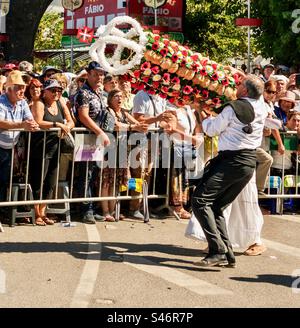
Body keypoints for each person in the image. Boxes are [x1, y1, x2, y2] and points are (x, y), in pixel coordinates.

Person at [192, 74, 267, 268]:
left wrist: (202, 113)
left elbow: (211, 130)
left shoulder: (233, 108)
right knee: (216, 206)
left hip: (232, 161)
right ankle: (227, 254)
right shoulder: (262, 106)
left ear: (244, 90)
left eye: (240, 84)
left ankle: (217, 250)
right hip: (248, 162)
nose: (237, 86)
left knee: (200, 200)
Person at [29, 79, 75, 226]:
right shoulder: (39, 103)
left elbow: (71, 120)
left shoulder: (60, 103)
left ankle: (43, 212)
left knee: (50, 181)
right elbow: (38, 121)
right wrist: (57, 124)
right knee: (38, 181)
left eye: (59, 90)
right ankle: (36, 214)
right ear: (45, 91)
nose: (57, 93)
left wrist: (67, 125)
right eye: (53, 90)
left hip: (56, 147)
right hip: (40, 147)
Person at [74, 61, 110, 224]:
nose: (99, 77)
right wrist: (100, 132)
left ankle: (91, 207)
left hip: (96, 138)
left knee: (94, 174)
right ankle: (85, 210)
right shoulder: (84, 93)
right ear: (88, 74)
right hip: (87, 137)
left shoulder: (99, 93)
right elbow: (84, 116)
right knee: (86, 174)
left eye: (101, 74)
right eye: (95, 74)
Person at [0, 70, 39, 218]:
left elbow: (29, 120)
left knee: (5, 180)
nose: (22, 90)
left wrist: (33, 124)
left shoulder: (22, 103)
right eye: (18, 87)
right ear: (9, 89)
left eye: (23, 87)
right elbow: (1, 122)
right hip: (1, 146)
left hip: (10, 147)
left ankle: (2, 210)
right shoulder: (1, 101)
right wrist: (22, 125)